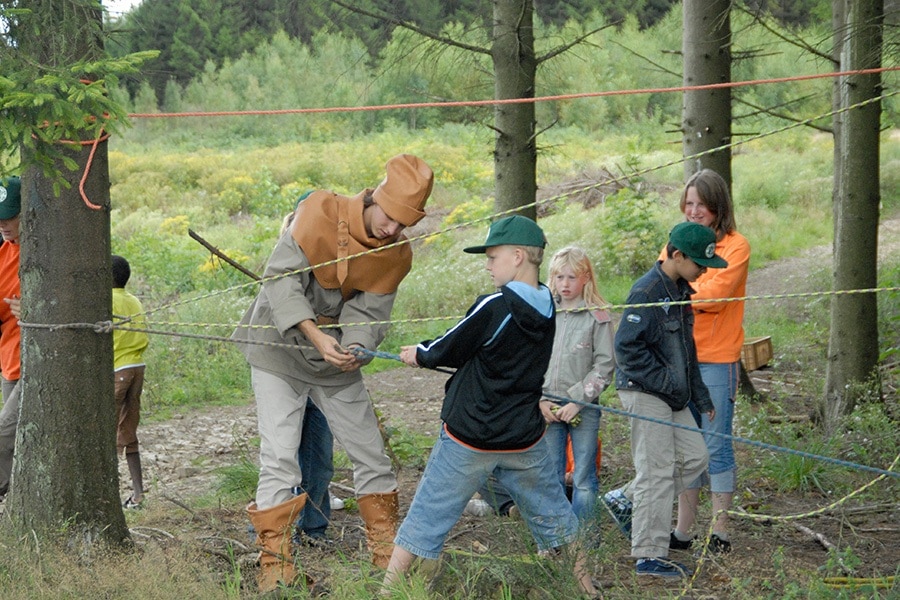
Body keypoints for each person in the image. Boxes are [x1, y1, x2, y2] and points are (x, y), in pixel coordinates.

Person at [232, 154, 433, 593]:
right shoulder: (319, 210)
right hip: (278, 350)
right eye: (391, 218)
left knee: (371, 453)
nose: (393, 231)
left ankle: (385, 563)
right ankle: (276, 569)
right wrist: (313, 333)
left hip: (335, 361)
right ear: (375, 199)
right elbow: (280, 279)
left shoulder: (396, 253)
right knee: (280, 456)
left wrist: (357, 347)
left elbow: (370, 312)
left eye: (405, 225)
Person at [381, 215, 598, 598]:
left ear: (517, 256)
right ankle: (587, 589)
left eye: (492, 256)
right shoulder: (549, 303)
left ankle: (385, 592)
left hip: (471, 436)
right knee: (557, 517)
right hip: (523, 437)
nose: (487, 265)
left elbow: (449, 346)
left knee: (427, 516)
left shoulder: (495, 304)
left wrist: (419, 352)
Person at [610, 221, 723, 578]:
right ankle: (649, 555)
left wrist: (699, 394)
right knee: (657, 472)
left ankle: (625, 499)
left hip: (673, 393)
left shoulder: (681, 291)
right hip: (644, 390)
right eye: (700, 265)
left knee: (695, 457)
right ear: (676, 255)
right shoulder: (646, 292)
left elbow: (686, 350)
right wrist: (665, 383)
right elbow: (626, 348)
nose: (703, 272)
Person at [668, 169, 750, 554]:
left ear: (718, 206)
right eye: (689, 204)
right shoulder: (676, 241)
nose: (694, 210)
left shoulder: (735, 246)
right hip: (679, 358)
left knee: (715, 445)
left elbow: (714, 296)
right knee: (686, 446)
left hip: (717, 360)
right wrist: (688, 286)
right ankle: (683, 531)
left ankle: (720, 530)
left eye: (701, 204)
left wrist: (688, 286)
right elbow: (665, 283)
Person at [539, 246, 615, 526]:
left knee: (583, 476)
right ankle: (557, 535)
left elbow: (604, 366)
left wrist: (578, 400)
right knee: (551, 475)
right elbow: (530, 359)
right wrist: (539, 400)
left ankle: (583, 539)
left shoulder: (598, 317)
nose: (565, 284)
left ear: (586, 278)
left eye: (571, 278)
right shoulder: (544, 314)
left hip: (583, 408)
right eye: (559, 278)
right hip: (547, 405)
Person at [111, 255, 150, 509]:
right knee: (129, 429)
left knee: (108, 431)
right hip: (137, 368)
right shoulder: (133, 300)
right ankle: (138, 494)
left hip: (118, 369)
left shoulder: (107, 300)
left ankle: (108, 494)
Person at [0, 176, 22, 500]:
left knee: (3, 434)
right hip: (9, 363)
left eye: (9, 216)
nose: (3, 223)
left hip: (39, 362)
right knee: (17, 442)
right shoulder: (2, 252)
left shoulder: (48, 252)